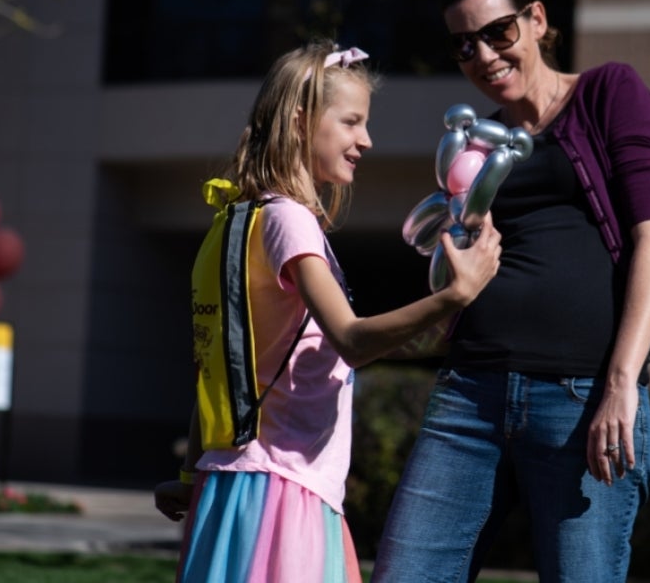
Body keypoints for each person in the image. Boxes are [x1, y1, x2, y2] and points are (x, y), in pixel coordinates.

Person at [372, 0, 650, 583]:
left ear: (536, 20)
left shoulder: (607, 92)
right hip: (471, 396)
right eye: (464, 46)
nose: (484, 56)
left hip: (581, 398)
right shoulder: (478, 146)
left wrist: (621, 386)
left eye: (498, 32)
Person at [153, 41, 502, 583]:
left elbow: (219, 365)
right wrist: (455, 294)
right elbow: (352, 340)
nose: (366, 140)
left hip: (236, 484)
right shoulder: (290, 221)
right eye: (351, 122)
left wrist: (189, 470)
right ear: (300, 121)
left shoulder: (237, 219)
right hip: (284, 493)